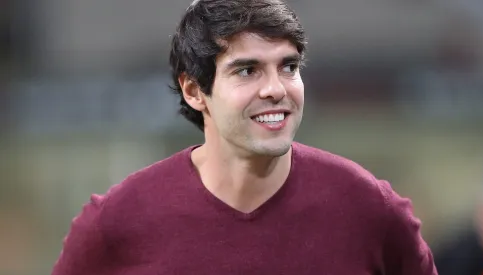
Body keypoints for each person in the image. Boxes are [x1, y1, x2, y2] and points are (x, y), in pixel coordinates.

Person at [52, 0, 438, 274]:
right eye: (247, 70)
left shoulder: (369, 207)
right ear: (193, 91)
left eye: (288, 66)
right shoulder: (116, 221)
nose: (275, 89)